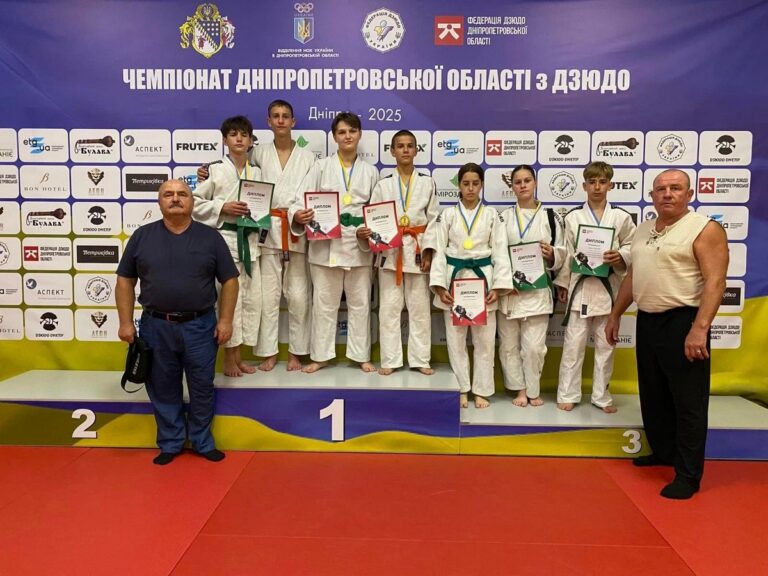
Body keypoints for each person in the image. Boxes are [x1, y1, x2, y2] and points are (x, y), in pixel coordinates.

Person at [606, 169, 728, 499]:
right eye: (661, 189)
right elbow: (633, 275)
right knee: (654, 394)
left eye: (675, 188)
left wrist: (699, 329)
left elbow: (716, 281)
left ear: (689, 194)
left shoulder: (704, 228)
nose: (668, 194)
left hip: (684, 321)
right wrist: (616, 314)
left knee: (688, 402)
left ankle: (688, 475)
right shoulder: (644, 229)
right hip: (648, 320)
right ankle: (663, 451)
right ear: (652, 196)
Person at [116, 179, 239, 465]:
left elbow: (230, 281)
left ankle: (202, 441)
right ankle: (170, 442)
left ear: (192, 202)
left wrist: (225, 320)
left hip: (200, 326)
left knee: (202, 387)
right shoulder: (142, 236)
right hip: (156, 326)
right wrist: (125, 323)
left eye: (182, 194)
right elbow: (124, 280)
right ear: (159, 202)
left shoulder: (210, 238)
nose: (175, 199)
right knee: (162, 386)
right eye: (168, 194)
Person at [289, 112, 378, 373]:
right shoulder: (320, 167)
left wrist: (369, 230)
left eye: (352, 131)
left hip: (358, 246)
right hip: (325, 245)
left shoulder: (371, 172)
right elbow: (298, 200)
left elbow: (377, 210)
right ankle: (321, 355)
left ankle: (361, 355)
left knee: (361, 304)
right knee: (324, 305)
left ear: (359, 134)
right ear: (334, 136)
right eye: (342, 132)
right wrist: (298, 215)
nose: (347, 136)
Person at [425, 163, 513, 409]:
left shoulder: (492, 215)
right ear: (459, 186)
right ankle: (462, 388)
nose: (471, 188)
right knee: (456, 341)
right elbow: (439, 251)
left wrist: (498, 287)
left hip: (483, 281)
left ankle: (482, 390)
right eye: (466, 184)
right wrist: (440, 287)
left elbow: (500, 251)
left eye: (475, 183)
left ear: (481, 185)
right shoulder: (448, 215)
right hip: (455, 282)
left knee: (485, 342)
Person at [554, 161, 635, 413]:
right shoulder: (573, 217)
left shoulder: (621, 217)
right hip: (580, 289)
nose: (597, 187)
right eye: (592, 182)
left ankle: (601, 396)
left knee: (605, 346)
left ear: (610, 185)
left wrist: (620, 257)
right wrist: (563, 282)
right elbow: (567, 253)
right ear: (584, 186)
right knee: (573, 345)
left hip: (609, 290)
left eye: (602, 182)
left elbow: (632, 246)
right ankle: (568, 393)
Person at [366, 130, 440, 376]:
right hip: (391, 253)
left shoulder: (427, 183)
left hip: (417, 250)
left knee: (420, 309)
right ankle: (390, 359)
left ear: (416, 150)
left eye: (410, 145)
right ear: (392, 151)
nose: (405, 150)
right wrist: (378, 241)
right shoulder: (383, 185)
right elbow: (374, 217)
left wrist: (428, 251)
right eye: (400, 146)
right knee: (389, 308)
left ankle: (420, 359)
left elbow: (434, 220)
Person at [192, 115, 261, 377]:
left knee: (247, 300)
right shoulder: (215, 170)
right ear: (225, 140)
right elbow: (195, 203)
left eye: (244, 134)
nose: (239, 139)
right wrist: (223, 207)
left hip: (250, 240)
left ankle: (238, 355)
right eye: (233, 134)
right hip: (224, 240)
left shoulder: (258, 172)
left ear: (251, 140)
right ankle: (228, 359)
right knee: (227, 301)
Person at [250, 100, 316, 372]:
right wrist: (207, 171)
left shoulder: (308, 157)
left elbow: (311, 192)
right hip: (267, 229)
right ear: (268, 121)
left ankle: (297, 352)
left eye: (285, 116)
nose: (280, 120)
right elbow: (242, 178)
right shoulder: (258, 154)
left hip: (296, 229)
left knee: (299, 296)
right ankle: (268, 351)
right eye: (275, 116)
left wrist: (298, 214)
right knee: (268, 295)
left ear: (293, 122)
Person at [498, 166, 564, 407]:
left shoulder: (551, 217)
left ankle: (533, 389)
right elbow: (497, 253)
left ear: (535, 183)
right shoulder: (503, 217)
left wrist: (552, 254)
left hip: (538, 290)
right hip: (511, 291)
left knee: (534, 348)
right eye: (518, 182)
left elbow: (564, 250)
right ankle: (520, 389)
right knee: (509, 346)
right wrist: (504, 283)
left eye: (527, 180)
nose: (523, 185)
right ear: (512, 186)